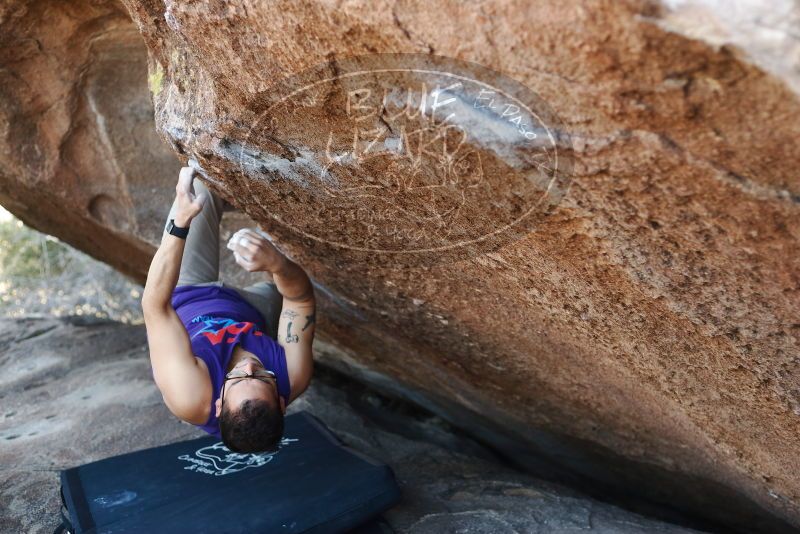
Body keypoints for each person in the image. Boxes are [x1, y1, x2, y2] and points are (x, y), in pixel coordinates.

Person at [142, 164, 315, 453]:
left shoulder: (190, 394)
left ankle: (222, 198)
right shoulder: (293, 375)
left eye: (236, 379)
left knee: (200, 188)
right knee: (296, 264)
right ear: (282, 401)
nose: (248, 367)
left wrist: (180, 221)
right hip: (254, 312)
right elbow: (301, 300)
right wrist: (276, 264)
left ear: (219, 404)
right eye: (262, 377)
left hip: (190, 294)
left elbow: (155, 307)